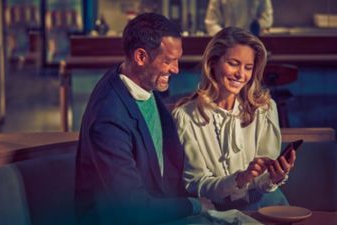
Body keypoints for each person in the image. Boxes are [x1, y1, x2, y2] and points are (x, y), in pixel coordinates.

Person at [74, 13, 214, 225]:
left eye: (177, 60)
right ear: (140, 57)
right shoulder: (108, 118)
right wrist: (194, 205)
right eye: (168, 61)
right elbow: (133, 209)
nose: (176, 69)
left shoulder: (143, 82)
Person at [172, 27, 296, 211]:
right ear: (213, 62)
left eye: (248, 67)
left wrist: (274, 176)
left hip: (266, 205)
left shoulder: (265, 109)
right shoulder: (186, 116)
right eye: (233, 63)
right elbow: (195, 184)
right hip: (216, 211)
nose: (241, 74)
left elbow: (264, 182)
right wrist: (239, 179)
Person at [205, 0, 273, 36]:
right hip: (227, 43)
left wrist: (256, 28)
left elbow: (266, 18)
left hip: (253, 40)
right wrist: (225, 37)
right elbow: (211, 23)